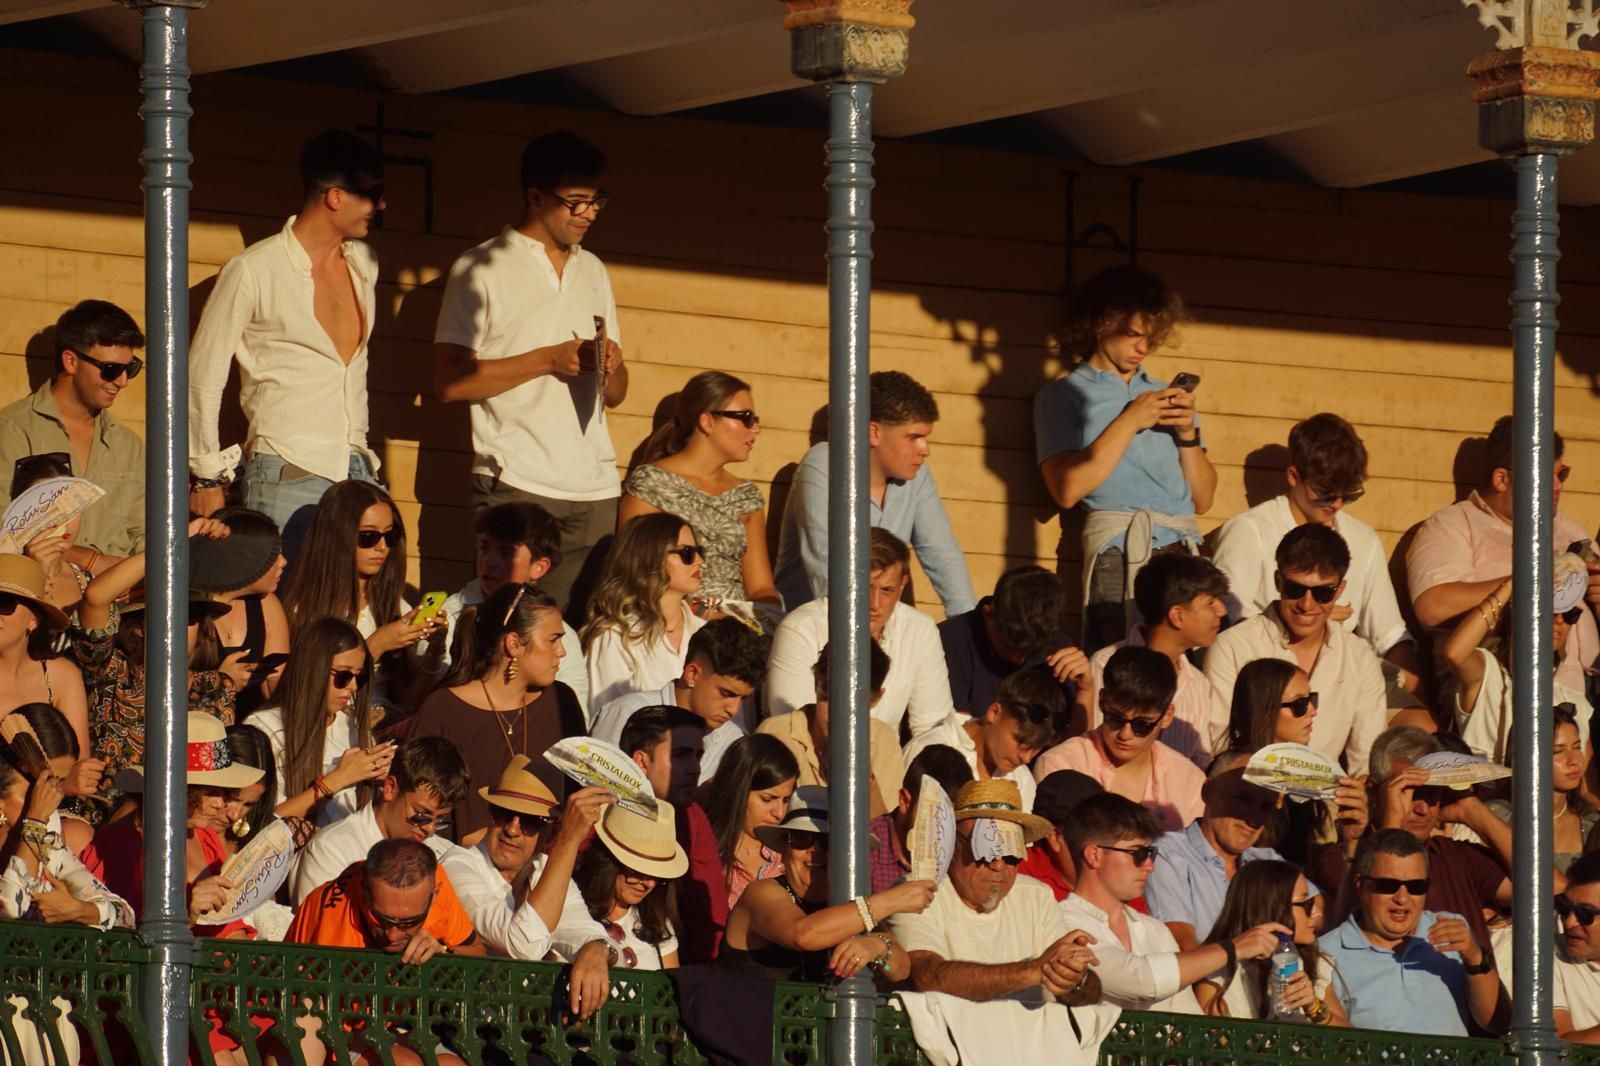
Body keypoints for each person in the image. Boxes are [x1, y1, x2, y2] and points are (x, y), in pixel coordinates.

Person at [432, 130, 627, 616]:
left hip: (595, 485)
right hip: (516, 477)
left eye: (596, 201)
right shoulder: (480, 268)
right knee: (507, 626)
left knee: (576, 635)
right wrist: (546, 359)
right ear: (535, 196)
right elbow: (449, 382)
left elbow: (617, 394)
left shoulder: (594, 270)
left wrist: (614, 366)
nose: (589, 213)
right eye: (575, 202)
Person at [188, 131, 387, 542]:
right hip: (286, 469)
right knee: (282, 601)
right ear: (335, 196)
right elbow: (202, 376)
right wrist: (207, 476)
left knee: (344, 607)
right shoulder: (254, 270)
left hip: (356, 470)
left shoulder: (364, 264)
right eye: (372, 193)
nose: (381, 205)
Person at [678, 786, 933, 1065]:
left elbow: (901, 968)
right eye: (802, 839)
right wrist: (889, 901)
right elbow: (804, 934)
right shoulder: (761, 894)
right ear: (785, 845)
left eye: (827, 841)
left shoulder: (849, 908)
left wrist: (877, 945)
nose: (815, 852)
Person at [1033, 265, 1213, 652]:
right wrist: (1129, 420)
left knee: (1188, 670)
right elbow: (1065, 490)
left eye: (1150, 338)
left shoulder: (1163, 395)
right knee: (1116, 665)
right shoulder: (1063, 396)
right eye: (1133, 335)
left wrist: (1187, 435)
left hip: (1181, 547)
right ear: (1101, 323)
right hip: (1118, 548)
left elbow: (1203, 499)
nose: (1142, 348)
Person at [1211, 413, 1417, 675]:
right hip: (1266, 676)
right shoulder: (1250, 531)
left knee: (1417, 717)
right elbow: (1227, 622)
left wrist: (1418, 694)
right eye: (1326, 493)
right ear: (1294, 477)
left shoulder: (1363, 540)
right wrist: (1307, 623)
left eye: (1349, 494)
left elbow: (1388, 633)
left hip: (1342, 676)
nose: (1337, 504)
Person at [1406, 414, 1597, 697]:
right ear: (1502, 479)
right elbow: (1433, 607)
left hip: (1579, 696)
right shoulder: (1453, 525)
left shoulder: (1570, 530)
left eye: (1561, 474)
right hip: (1493, 692)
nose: (1558, 486)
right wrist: (1530, 581)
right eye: (1546, 476)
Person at [68, 525, 238, 825]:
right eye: (165, 612)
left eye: (189, 617)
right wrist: (174, 539)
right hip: (103, 827)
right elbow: (95, 597)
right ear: (138, 626)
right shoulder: (112, 670)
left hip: (181, 826)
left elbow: (214, 777)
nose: (177, 624)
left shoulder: (216, 688)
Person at [775, 370, 976, 615]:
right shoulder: (824, 464)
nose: (925, 450)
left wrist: (970, 628)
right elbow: (827, 572)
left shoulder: (918, 476)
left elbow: (942, 553)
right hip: (813, 628)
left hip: (880, 626)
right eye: (914, 438)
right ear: (873, 433)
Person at [1063, 792, 1286, 1013]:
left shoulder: (1155, 930)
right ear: (1094, 855)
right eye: (1138, 853)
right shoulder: (1062, 922)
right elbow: (1140, 981)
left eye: (1151, 853)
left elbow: (1185, 1014)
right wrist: (1233, 948)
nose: (1149, 865)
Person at [892, 779, 1100, 1006]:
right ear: (952, 846)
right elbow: (928, 977)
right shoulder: (917, 892)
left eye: (1011, 855)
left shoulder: (1036, 896)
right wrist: (1033, 971)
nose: (999, 866)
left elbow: (1084, 994)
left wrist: (1074, 978)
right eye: (986, 850)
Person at [1204, 523, 1387, 776]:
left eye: (1323, 592)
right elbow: (1218, 746)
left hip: (1326, 802)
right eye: (1295, 589)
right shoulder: (1233, 646)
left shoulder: (1359, 657)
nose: (1306, 604)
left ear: (1340, 590)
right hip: (1246, 792)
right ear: (1278, 581)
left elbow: (1366, 761)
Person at [284, 839, 485, 1066]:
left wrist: (445, 952)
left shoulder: (434, 880)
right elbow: (322, 1031)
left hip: (401, 1023)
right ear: (364, 890)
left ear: (434, 895)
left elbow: (479, 954)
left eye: (409, 922)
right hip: (332, 1027)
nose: (392, 935)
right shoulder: (334, 923)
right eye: (381, 919)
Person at [411, 582, 586, 840]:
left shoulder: (562, 703)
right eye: (553, 640)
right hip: (459, 868)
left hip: (545, 866)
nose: (562, 651)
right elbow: (420, 812)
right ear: (514, 644)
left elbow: (575, 798)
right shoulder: (444, 710)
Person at [81, 713, 262, 938]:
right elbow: (118, 939)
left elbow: (229, 928)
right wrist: (184, 916)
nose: (220, 803)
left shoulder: (204, 836)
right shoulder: (123, 844)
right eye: (210, 791)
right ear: (179, 788)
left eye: (224, 791)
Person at [765, 529, 955, 740]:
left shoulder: (920, 630)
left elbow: (934, 729)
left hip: (883, 765)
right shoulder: (800, 629)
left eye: (886, 590)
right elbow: (794, 728)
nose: (874, 604)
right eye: (864, 589)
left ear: (903, 585)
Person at [279, 480, 450, 710]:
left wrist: (434, 650)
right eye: (368, 537)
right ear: (339, 537)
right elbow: (300, 695)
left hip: (383, 724)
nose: (382, 547)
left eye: (390, 536)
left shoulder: (393, 605)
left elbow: (412, 700)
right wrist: (377, 645)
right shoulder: (303, 610)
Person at [1318, 829, 1508, 1036]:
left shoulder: (1451, 928)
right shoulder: (1327, 954)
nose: (1402, 898)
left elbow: (1499, 1023)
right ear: (1360, 885)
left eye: (1417, 886)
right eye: (1388, 885)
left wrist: (1475, 957)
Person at [435, 756, 612, 973]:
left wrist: (597, 949)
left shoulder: (545, 869)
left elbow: (584, 932)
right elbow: (523, 946)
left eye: (529, 821)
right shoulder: (457, 866)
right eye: (503, 814)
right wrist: (568, 841)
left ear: (548, 830)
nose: (512, 829)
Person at [619, 370, 778, 611]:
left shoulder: (747, 496)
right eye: (746, 418)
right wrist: (706, 612)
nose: (755, 429)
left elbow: (760, 588)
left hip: (736, 627)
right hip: (667, 622)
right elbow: (636, 577)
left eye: (755, 419)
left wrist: (770, 620)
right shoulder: (652, 485)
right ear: (707, 422)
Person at [0, 299, 145, 561]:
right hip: (41, 594)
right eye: (111, 369)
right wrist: (92, 562)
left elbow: (144, 535)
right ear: (70, 361)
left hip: (121, 597)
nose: (122, 382)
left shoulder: (129, 445)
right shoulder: (13, 430)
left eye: (130, 368)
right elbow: (6, 533)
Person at [1144, 750, 1332, 948]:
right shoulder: (1168, 854)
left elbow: (1330, 917)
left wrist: (1352, 845)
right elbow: (1183, 949)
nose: (1253, 817)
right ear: (1208, 792)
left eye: (1265, 806)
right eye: (1243, 798)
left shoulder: (1267, 860)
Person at [1361, 726, 1511, 951]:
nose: (1423, 808)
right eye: (1409, 793)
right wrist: (1393, 819)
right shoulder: (1346, 857)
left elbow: (1549, 891)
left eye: (1432, 793)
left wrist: (1470, 809)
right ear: (1374, 791)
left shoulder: (1456, 856)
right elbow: (1372, 922)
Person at [1219, 661, 1370, 880]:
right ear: (1265, 710)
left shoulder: (1308, 781)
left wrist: (1353, 839)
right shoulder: (1230, 778)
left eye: (1311, 699)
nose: (1313, 711)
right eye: (1299, 704)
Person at [1443, 551, 1593, 766]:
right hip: (1491, 797)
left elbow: (1588, 790)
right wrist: (1516, 582)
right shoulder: (1489, 676)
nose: (1560, 620)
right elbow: (1455, 653)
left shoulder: (1576, 702)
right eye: (1548, 611)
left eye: (1570, 615)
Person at [1080, 552, 1230, 766]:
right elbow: (1089, 746)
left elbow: (1200, 759)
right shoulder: (1104, 664)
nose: (1222, 611)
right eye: (1211, 602)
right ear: (1177, 615)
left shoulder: (1198, 683)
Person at [1033, 646, 1205, 831]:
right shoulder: (1061, 765)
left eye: (1141, 725)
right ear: (1101, 701)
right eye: (1114, 718)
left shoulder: (1189, 782)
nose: (1125, 734)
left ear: (1167, 716)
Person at [245, 617, 392, 829]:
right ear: (313, 669)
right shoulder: (265, 727)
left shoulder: (353, 726)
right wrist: (338, 779)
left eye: (359, 677)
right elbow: (265, 823)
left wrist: (384, 779)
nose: (352, 686)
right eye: (343, 676)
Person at [439, 501, 587, 705]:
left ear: (539, 567)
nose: (488, 561)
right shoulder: (451, 613)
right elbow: (437, 694)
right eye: (484, 548)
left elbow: (573, 714)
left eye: (506, 553)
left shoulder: (563, 635)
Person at [0, 704, 133, 930]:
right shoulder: (39, 823)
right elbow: (10, 910)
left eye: (57, 784)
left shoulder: (48, 835)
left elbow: (125, 917)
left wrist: (79, 910)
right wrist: (34, 821)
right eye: (39, 788)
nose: (50, 798)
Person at [290, 736, 468, 902]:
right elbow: (318, 930)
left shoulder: (442, 854)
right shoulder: (332, 850)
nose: (430, 829)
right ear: (390, 789)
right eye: (421, 815)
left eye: (440, 820)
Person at [592, 616, 767, 783]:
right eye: (726, 693)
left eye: (743, 699)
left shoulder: (732, 740)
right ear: (692, 674)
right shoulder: (627, 712)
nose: (734, 710)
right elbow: (597, 790)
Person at [615, 706, 723, 963]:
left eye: (698, 756)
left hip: (675, 966)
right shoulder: (598, 810)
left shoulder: (692, 817)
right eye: (681, 755)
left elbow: (709, 912)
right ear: (641, 761)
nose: (694, 768)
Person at [580, 513, 708, 717]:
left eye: (699, 552)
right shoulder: (615, 636)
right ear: (650, 558)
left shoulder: (706, 632)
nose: (699, 561)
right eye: (687, 553)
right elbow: (609, 721)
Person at [758, 642, 903, 817]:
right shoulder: (776, 735)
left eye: (851, 704)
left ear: (875, 699)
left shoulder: (883, 741)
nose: (837, 713)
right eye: (826, 698)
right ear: (815, 685)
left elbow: (883, 831)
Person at [1195, 860, 1348, 1025]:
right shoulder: (1217, 973)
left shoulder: (1312, 961)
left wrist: (1314, 1006)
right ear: (1270, 907)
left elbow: (1348, 1042)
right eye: (1305, 904)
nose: (1316, 913)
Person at [904, 665, 1064, 812]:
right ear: (995, 712)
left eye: (1036, 748)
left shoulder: (1022, 780)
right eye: (1020, 741)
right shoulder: (926, 751)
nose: (1026, 758)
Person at [938, 565, 1087, 719]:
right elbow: (953, 737)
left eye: (1031, 652)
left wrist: (1086, 690)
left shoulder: (1058, 649)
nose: (1019, 659)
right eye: (1009, 646)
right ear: (988, 613)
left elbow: (1073, 741)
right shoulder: (949, 643)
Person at [575, 798, 691, 970]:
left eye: (658, 876)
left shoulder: (658, 924)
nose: (649, 884)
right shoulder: (572, 909)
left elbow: (670, 991)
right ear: (609, 862)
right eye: (638, 871)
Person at [0, 555, 88, 772]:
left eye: (4, 603)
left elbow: (78, 765)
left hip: (51, 800)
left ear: (34, 619)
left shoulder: (60, 675)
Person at [1487, 704, 1595, 874]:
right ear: (1527, 757)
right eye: (1557, 751)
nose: (1573, 760)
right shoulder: (1494, 816)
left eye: (1576, 747)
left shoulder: (1592, 824)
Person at [702, 734, 798, 913]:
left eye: (786, 800)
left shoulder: (792, 853)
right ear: (738, 790)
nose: (778, 813)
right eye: (767, 799)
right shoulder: (704, 852)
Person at [208, 508, 291, 711]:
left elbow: (275, 690)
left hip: (249, 733)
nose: (283, 562)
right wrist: (221, 681)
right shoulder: (191, 610)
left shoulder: (267, 605)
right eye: (272, 555)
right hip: (196, 731)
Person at [870, 744, 974, 895]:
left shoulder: (964, 857)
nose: (942, 832)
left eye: (953, 821)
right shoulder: (864, 853)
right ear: (905, 801)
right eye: (934, 816)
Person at [10, 451, 99, 616]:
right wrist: (36, 576)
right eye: (45, 510)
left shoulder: (90, 581)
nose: (59, 521)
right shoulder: (5, 578)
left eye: (70, 508)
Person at [1017, 769, 1104, 903]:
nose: (1104, 848)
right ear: (1055, 838)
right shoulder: (1016, 880)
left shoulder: (1120, 872)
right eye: (1093, 835)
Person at [1553, 851, 1600, 1043]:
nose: (1570, 922)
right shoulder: (1544, 955)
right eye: (1565, 909)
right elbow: (1553, 1047)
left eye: (1584, 914)